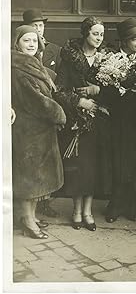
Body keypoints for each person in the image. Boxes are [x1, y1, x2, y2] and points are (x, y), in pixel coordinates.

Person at [55, 17, 111, 231]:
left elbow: (114, 90)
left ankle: (88, 211)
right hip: (76, 121)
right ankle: (76, 210)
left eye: (102, 34)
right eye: (95, 33)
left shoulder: (106, 59)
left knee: (93, 166)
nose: (99, 38)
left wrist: (98, 91)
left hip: (99, 120)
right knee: (78, 167)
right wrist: (79, 101)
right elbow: (59, 89)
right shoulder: (70, 57)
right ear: (85, 33)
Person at [11, 25, 66, 239]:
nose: (32, 44)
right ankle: (27, 221)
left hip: (40, 129)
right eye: (26, 40)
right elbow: (36, 100)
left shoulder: (32, 64)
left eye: (34, 40)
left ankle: (30, 217)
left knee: (37, 179)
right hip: (27, 130)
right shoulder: (17, 68)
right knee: (29, 179)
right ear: (17, 44)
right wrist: (58, 113)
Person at [105, 18, 136, 223]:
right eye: (133, 39)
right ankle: (115, 203)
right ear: (123, 41)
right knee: (117, 161)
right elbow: (105, 91)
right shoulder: (111, 61)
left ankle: (132, 205)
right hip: (118, 119)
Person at [23, 8, 62, 216]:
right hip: (33, 112)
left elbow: (60, 80)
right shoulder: (23, 52)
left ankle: (45, 203)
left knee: (47, 162)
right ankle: (28, 214)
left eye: (40, 25)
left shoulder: (54, 50)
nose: (38, 29)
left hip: (50, 109)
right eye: (34, 26)